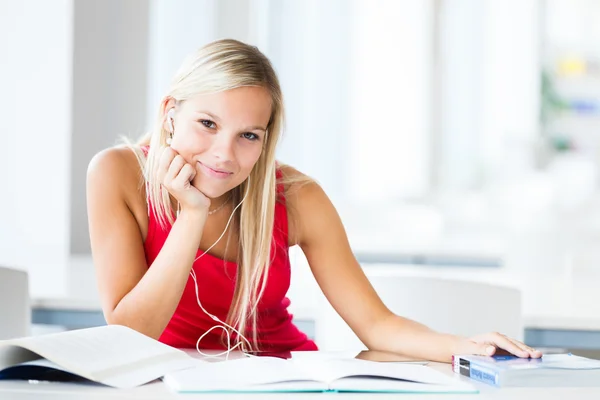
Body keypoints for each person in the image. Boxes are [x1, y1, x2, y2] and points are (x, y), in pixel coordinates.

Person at [86, 38, 542, 362]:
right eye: (207, 123)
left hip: (282, 380)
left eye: (248, 135)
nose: (224, 153)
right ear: (171, 114)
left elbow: (376, 325)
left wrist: (467, 346)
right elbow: (129, 333)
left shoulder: (297, 196)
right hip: (170, 385)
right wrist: (191, 215)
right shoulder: (117, 174)